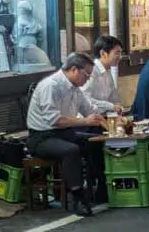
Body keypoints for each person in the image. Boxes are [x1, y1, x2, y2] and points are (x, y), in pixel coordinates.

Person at [27, 53, 106, 214]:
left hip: (63, 133)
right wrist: (85, 121)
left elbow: (90, 110)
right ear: (74, 70)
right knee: (71, 150)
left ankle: (99, 188)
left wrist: (107, 123)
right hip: (41, 137)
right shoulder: (52, 86)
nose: (88, 79)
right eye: (87, 75)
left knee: (96, 140)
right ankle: (78, 198)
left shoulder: (76, 89)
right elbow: (54, 121)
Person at [83, 35, 123, 114]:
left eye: (120, 53)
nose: (120, 57)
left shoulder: (107, 71)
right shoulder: (91, 71)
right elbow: (84, 98)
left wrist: (118, 108)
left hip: (104, 117)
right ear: (103, 53)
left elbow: (114, 97)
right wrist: (111, 106)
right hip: (88, 120)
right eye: (117, 53)